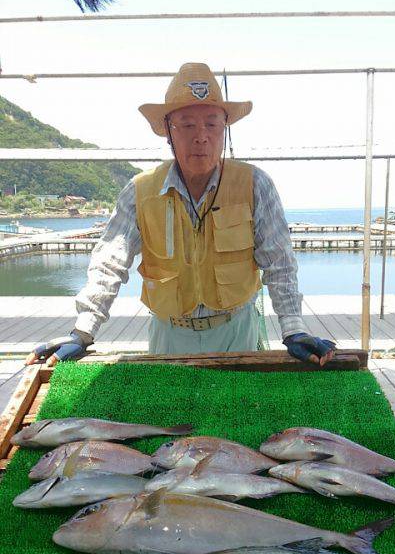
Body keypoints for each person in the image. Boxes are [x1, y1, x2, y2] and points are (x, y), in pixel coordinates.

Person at [26, 63, 335, 368]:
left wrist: (293, 327)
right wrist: (82, 331)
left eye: (212, 124)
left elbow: (279, 263)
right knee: (168, 416)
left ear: (224, 131)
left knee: (236, 413)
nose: (201, 136)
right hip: (168, 333)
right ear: (168, 133)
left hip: (237, 330)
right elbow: (109, 262)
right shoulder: (140, 191)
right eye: (187, 125)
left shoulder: (255, 184)